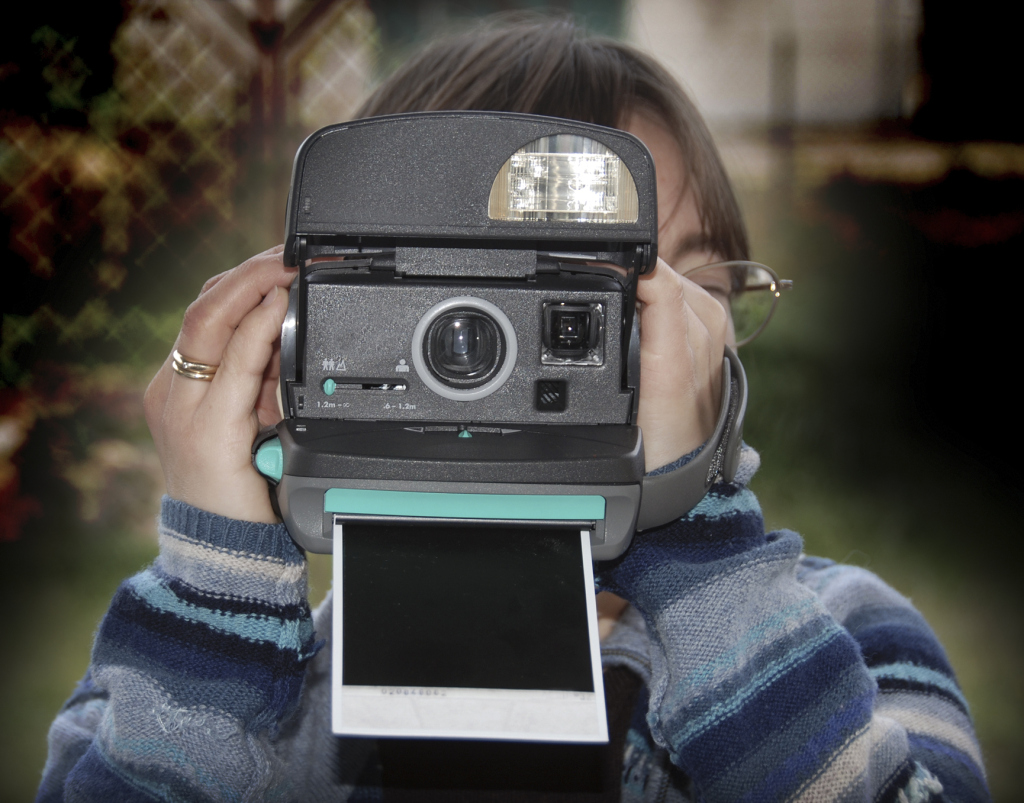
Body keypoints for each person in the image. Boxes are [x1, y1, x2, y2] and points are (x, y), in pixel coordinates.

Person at [36, 17, 989, 802]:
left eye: (687, 296)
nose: (653, 355)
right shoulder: (195, 682)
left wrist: (702, 558)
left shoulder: (851, 642)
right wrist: (217, 609)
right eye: (569, 298)